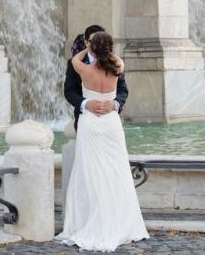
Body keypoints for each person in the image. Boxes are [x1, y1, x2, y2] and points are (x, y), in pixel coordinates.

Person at [56, 31, 149, 251]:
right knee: (116, 171)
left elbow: (74, 59)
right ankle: (119, 222)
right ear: (110, 48)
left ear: (91, 47)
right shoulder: (118, 66)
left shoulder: (84, 68)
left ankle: (90, 220)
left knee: (89, 170)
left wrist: (87, 49)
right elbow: (115, 63)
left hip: (90, 123)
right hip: (110, 123)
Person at [64, 25, 128, 130]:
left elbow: (123, 90)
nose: (98, 46)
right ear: (86, 42)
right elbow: (69, 92)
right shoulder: (118, 64)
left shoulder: (78, 64)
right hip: (86, 117)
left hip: (109, 117)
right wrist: (85, 104)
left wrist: (115, 104)